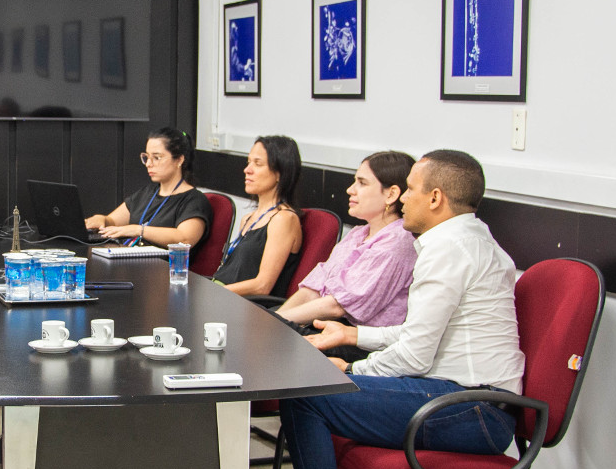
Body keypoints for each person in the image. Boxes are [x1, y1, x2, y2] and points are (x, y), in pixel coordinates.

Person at [252, 150, 525, 469]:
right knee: (316, 394)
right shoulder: (467, 241)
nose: (406, 202)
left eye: (413, 191)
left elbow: (415, 354)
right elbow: (419, 331)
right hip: (467, 400)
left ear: (436, 198)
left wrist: (353, 368)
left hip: (471, 410)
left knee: (312, 398)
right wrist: (353, 335)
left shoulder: (446, 249)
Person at [274, 151, 418, 355]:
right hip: (326, 326)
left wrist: (275, 322)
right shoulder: (358, 234)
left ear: (391, 194)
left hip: (357, 344)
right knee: (259, 325)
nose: (351, 190)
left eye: (362, 183)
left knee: (266, 333)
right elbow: (312, 290)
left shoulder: (398, 241)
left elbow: (337, 306)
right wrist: (275, 318)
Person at [84, 127, 212, 247]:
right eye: (146, 157)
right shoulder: (147, 192)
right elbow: (112, 220)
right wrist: (101, 219)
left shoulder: (194, 200)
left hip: (163, 267)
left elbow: (185, 238)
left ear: (179, 160)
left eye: (157, 158)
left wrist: (139, 230)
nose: (149, 164)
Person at [211, 136, 303, 296]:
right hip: (224, 294)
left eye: (258, 164)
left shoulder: (284, 219)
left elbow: (262, 286)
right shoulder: (248, 219)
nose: (247, 170)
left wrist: (213, 293)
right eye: (248, 162)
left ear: (280, 173)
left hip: (246, 306)